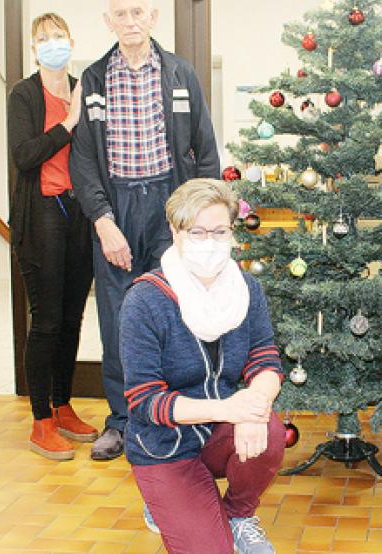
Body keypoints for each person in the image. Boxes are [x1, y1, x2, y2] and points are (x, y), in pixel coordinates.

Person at [70, 0, 220, 461]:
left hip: (169, 207)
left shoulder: (181, 73)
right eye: (121, 14)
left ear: (153, 17)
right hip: (117, 209)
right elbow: (83, 161)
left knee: (177, 315)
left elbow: (206, 149)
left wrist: (197, 221)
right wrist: (102, 221)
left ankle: (180, 417)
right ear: (108, 21)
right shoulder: (93, 79)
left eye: (138, 12)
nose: (130, 22)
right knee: (119, 321)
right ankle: (123, 421)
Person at [123, 179, 283, 554]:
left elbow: (265, 358)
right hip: (163, 447)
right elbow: (145, 401)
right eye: (197, 232)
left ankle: (238, 514)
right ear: (175, 232)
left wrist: (252, 407)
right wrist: (229, 408)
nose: (209, 242)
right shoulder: (145, 301)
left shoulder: (245, 289)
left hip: (218, 433)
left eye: (219, 231)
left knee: (271, 431)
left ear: (232, 232)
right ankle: (164, 501)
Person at [7, 13, 98, 461]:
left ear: (71, 40)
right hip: (41, 211)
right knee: (44, 321)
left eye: (58, 36)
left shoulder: (85, 87)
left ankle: (63, 405)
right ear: (33, 47)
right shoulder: (23, 94)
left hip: (80, 212)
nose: (52, 44)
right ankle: (41, 419)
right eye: (43, 38)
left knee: (71, 317)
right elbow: (24, 156)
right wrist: (69, 122)